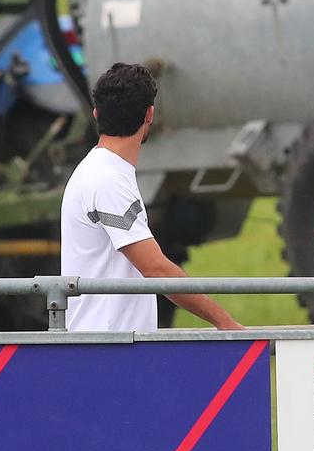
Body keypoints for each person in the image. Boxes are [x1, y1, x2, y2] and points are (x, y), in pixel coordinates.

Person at [61, 62, 243, 334]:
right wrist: (225, 323)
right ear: (149, 114)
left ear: (97, 113)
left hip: (110, 345)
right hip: (106, 348)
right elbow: (157, 269)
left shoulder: (103, 171)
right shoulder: (106, 179)